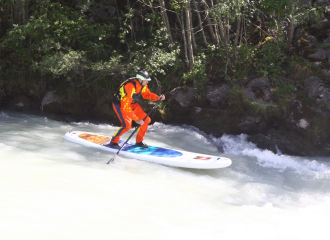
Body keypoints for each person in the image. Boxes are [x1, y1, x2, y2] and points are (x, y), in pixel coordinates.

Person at [108, 70, 165, 148]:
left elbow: (147, 94)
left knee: (146, 120)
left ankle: (139, 141)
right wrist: (136, 119)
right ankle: (114, 142)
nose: (147, 82)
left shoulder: (142, 85)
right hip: (120, 105)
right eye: (146, 81)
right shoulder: (130, 86)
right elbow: (125, 106)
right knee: (127, 125)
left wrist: (158, 97)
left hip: (132, 104)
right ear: (140, 80)